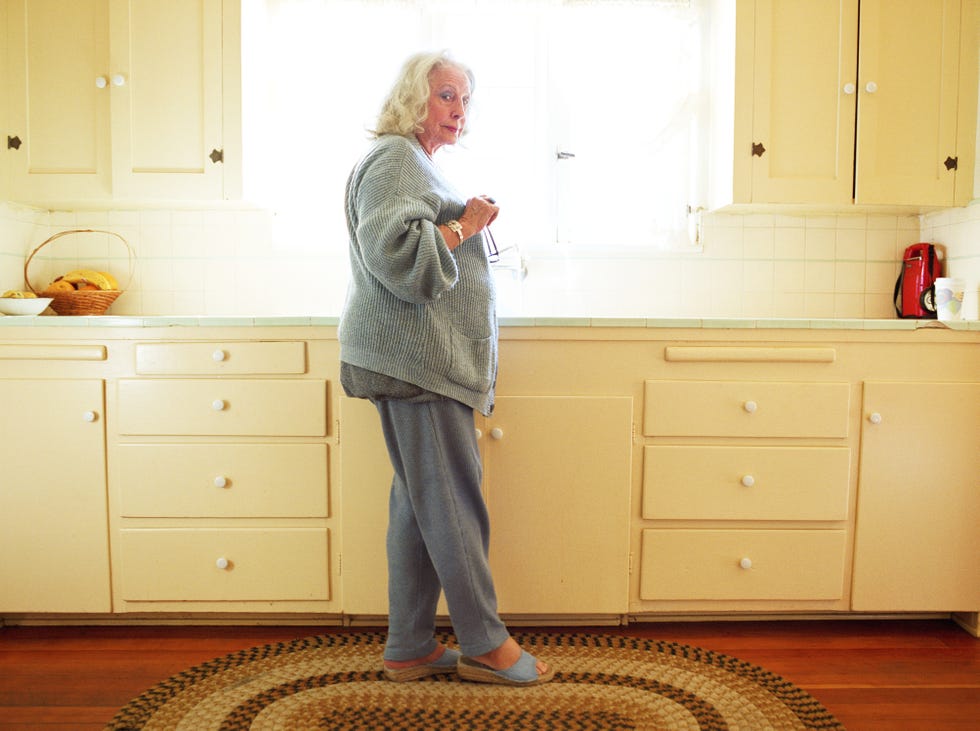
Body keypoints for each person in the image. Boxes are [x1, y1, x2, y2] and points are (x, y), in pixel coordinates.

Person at [338, 50, 553, 687]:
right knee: (454, 504)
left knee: (420, 505)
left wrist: (463, 219)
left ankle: (408, 646)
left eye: (464, 98)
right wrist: (466, 224)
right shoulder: (395, 158)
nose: (458, 109)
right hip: (418, 365)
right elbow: (397, 252)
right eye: (446, 96)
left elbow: (404, 240)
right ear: (414, 99)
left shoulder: (410, 163)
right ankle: (485, 642)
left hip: (415, 362)